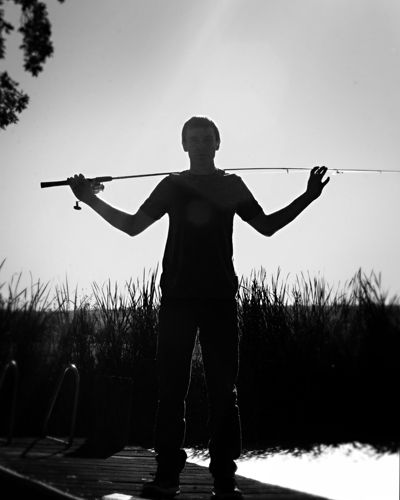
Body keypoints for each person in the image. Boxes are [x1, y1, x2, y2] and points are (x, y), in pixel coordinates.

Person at [68, 116, 329, 499]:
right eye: (194, 139)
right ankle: (167, 478)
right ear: (184, 146)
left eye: (207, 138)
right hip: (177, 299)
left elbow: (268, 226)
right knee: (172, 391)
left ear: (218, 143)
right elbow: (132, 226)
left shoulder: (232, 185)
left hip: (221, 299)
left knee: (225, 393)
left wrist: (308, 195)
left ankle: (225, 481)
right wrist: (90, 199)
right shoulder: (171, 186)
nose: (202, 143)